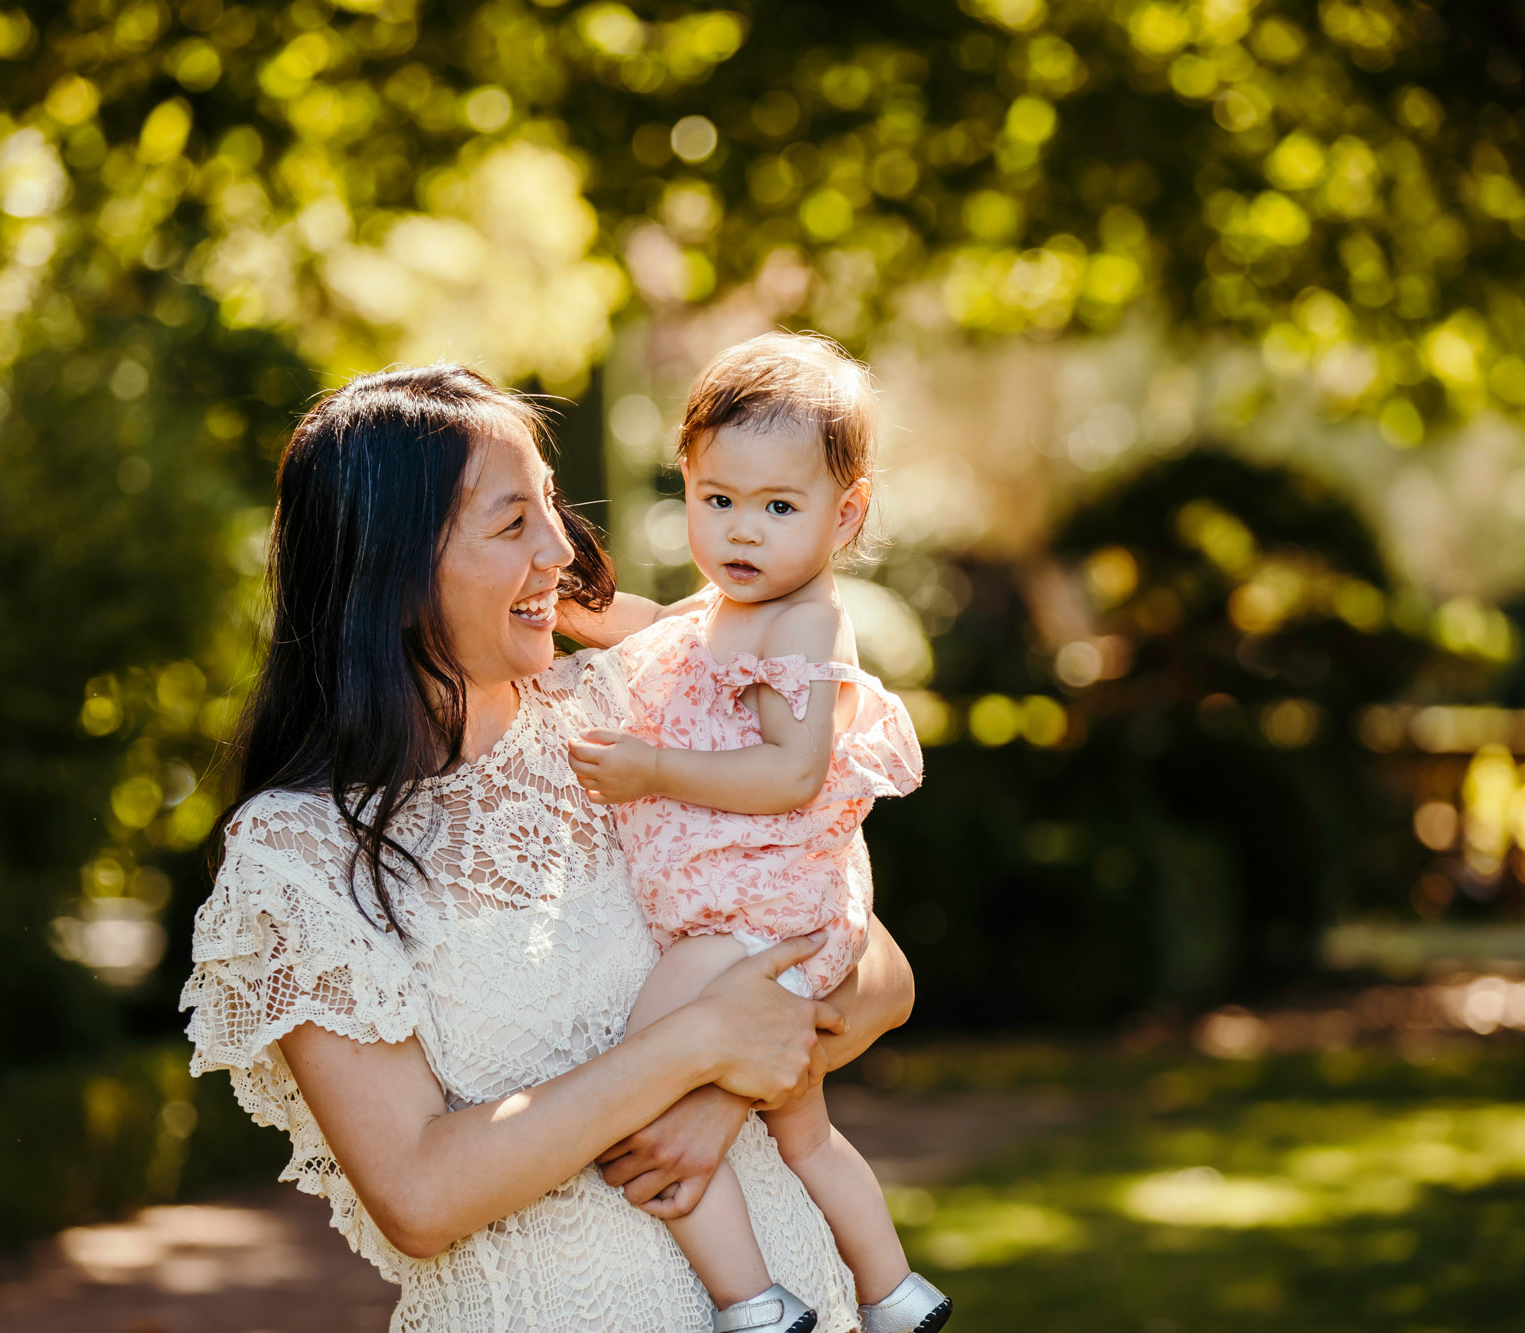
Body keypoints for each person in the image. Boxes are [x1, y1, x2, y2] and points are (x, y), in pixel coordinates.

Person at [179, 364, 917, 1333]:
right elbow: (418, 1197)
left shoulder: (622, 722)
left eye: (552, 508)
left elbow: (877, 971)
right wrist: (693, 1047)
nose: (561, 547)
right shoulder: (298, 853)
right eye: (510, 522)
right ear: (393, 565)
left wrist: (714, 1101)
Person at [564, 334, 950, 1333]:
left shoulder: (804, 626)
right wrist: (583, 615)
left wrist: (652, 769)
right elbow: (660, 627)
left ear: (845, 512)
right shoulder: (738, 603)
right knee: (804, 1130)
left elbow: (789, 774)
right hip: (753, 914)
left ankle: (751, 1302)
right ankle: (892, 1290)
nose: (740, 531)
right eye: (715, 499)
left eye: (777, 507)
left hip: (751, 918)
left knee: (637, 1081)